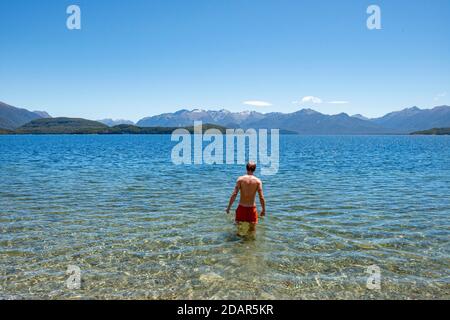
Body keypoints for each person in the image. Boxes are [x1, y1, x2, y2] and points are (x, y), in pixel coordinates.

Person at [226, 161, 266, 238]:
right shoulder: (258, 181)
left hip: (241, 208)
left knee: (238, 231)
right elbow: (261, 197)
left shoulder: (240, 179)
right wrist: (263, 210)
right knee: (252, 231)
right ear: (254, 169)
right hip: (252, 210)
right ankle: (250, 247)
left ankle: (238, 246)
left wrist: (228, 208)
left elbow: (234, 194)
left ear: (246, 168)